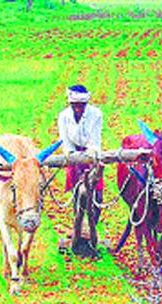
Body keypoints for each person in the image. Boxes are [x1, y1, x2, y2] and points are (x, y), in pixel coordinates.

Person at [58, 84, 104, 224]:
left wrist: (90, 155)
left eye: (81, 105)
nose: (78, 108)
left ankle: (93, 225)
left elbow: (94, 139)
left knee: (97, 193)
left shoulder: (96, 114)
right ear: (70, 103)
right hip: (72, 154)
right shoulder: (64, 116)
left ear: (86, 103)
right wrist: (71, 155)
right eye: (75, 105)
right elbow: (65, 139)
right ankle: (77, 222)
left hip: (91, 153)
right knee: (77, 192)